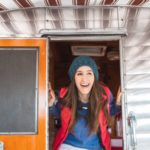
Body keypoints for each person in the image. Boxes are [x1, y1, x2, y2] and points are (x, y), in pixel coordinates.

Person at [49, 56, 121, 150]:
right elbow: (58, 112)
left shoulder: (104, 94)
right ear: (74, 78)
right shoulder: (64, 95)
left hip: (96, 147)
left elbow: (110, 110)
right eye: (79, 74)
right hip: (69, 146)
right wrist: (50, 104)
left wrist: (118, 104)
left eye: (89, 73)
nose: (84, 78)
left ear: (94, 77)